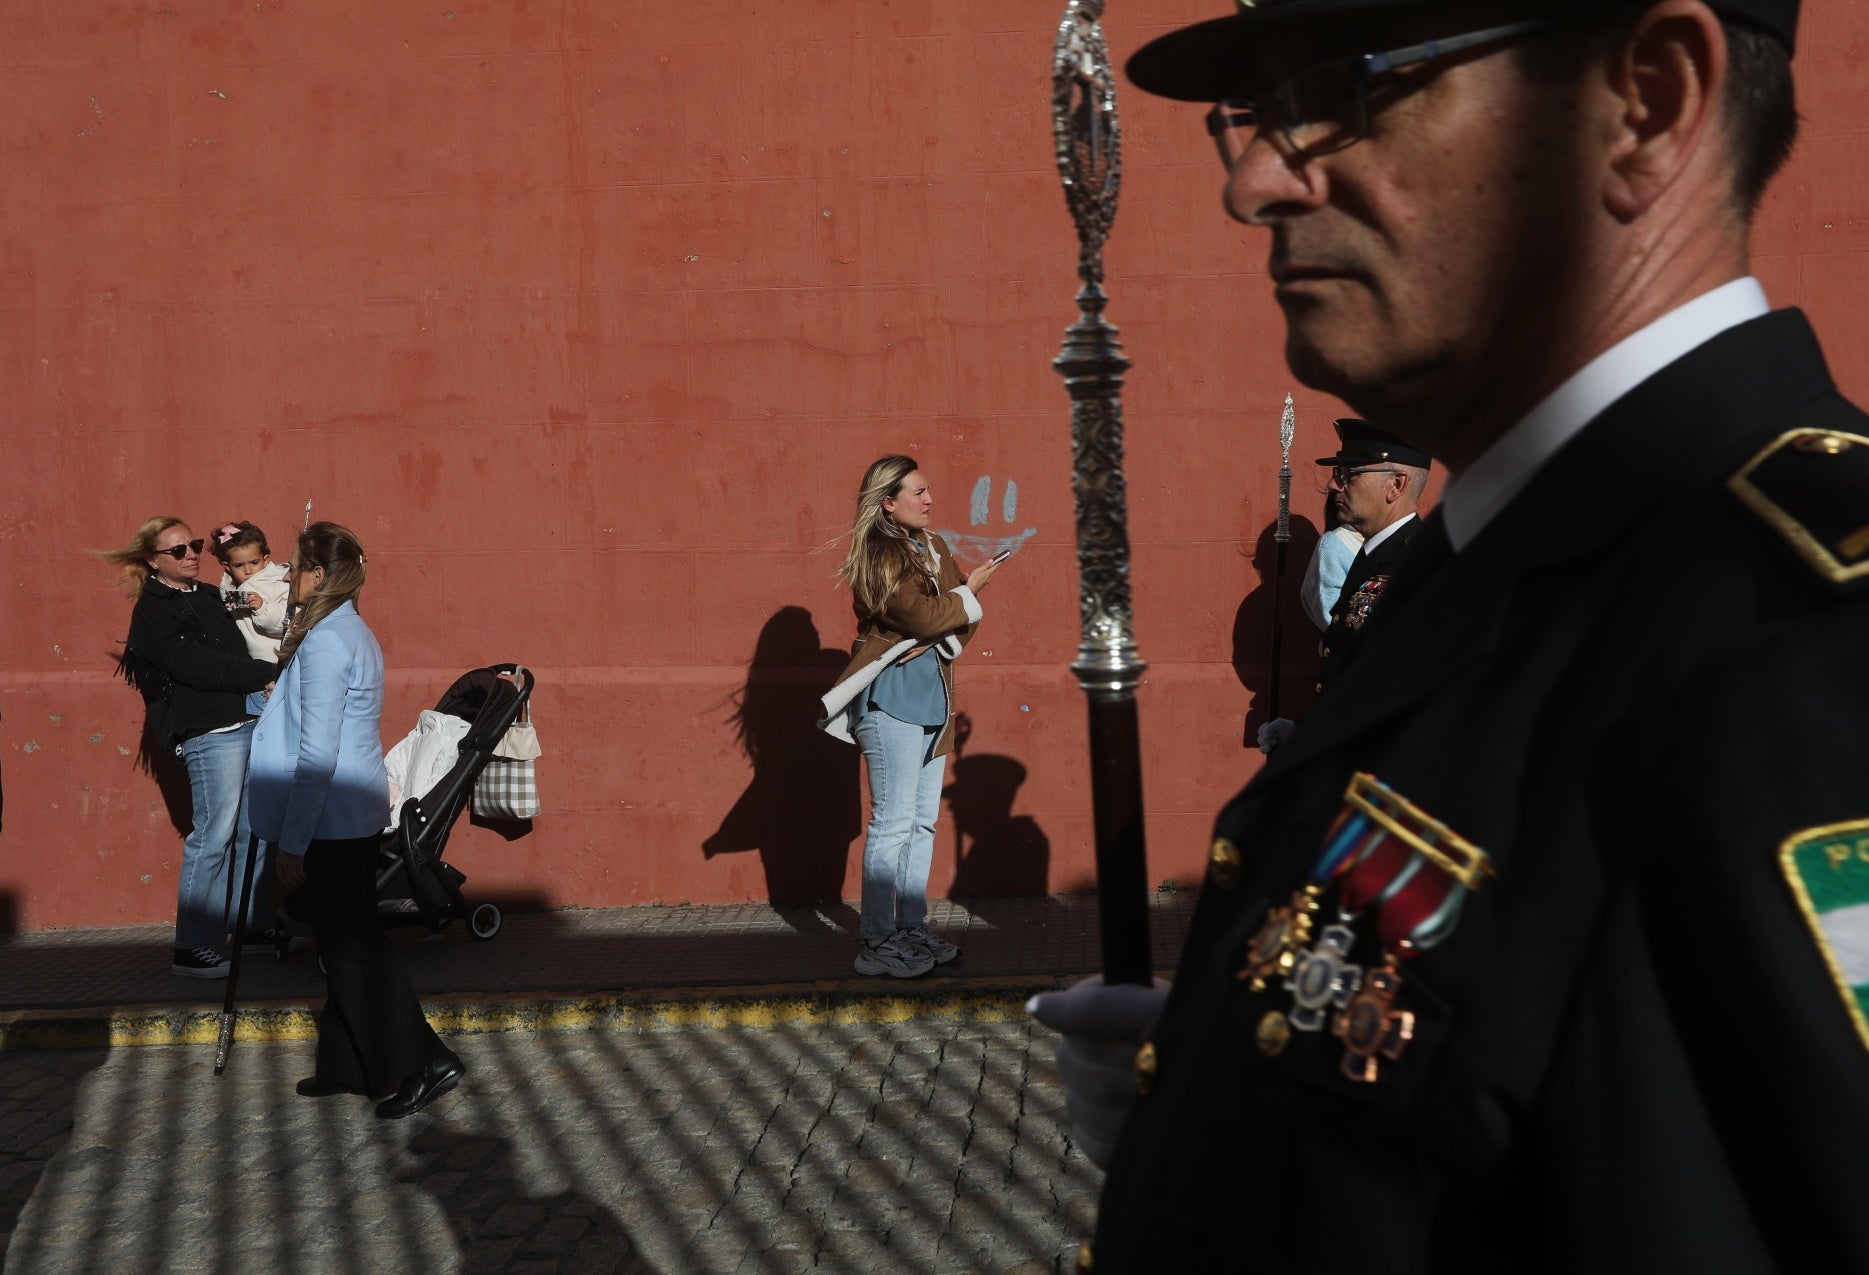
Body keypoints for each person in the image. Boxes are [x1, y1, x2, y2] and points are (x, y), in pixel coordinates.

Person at [1031, 0, 1869, 1269]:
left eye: (1340, 90)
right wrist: (1218, 1091)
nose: (1255, 183)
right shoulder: (1505, 553)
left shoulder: (1806, 654)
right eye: (1257, 116)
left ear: (1648, 99)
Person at [248, 521, 464, 1118]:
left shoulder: (325, 641)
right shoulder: (347, 630)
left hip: (333, 817)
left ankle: (425, 1060)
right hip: (349, 811)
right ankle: (345, 1063)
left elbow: (318, 752)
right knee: (340, 941)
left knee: (355, 946)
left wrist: (293, 844)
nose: (287, 576)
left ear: (319, 575)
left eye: (295, 567)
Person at [818, 456, 1005, 977]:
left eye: (928, 490)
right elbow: (925, 613)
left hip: (935, 699)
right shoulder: (879, 552)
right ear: (888, 502)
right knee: (893, 823)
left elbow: (959, 622)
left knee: (921, 822)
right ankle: (876, 942)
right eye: (917, 492)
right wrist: (966, 598)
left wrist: (949, 619)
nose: (928, 500)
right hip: (889, 699)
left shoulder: (934, 547)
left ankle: (908, 928)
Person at [98, 517, 276, 977]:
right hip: (208, 730)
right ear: (153, 560)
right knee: (213, 833)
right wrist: (265, 675)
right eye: (178, 550)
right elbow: (196, 666)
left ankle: (249, 928)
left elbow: (248, 637)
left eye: (194, 545)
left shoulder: (210, 595)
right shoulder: (153, 610)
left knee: (252, 828)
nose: (191, 554)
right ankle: (192, 945)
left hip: (248, 715)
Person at [208, 521, 292, 667]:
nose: (248, 570)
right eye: (239, 565)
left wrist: (263, 609)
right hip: (255, 659)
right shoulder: (229, 588)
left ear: (265, 560)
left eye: (254, 563)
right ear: (227, 566)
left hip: (279, 657)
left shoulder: (277, 580)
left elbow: (289, 623)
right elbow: (229, 605)